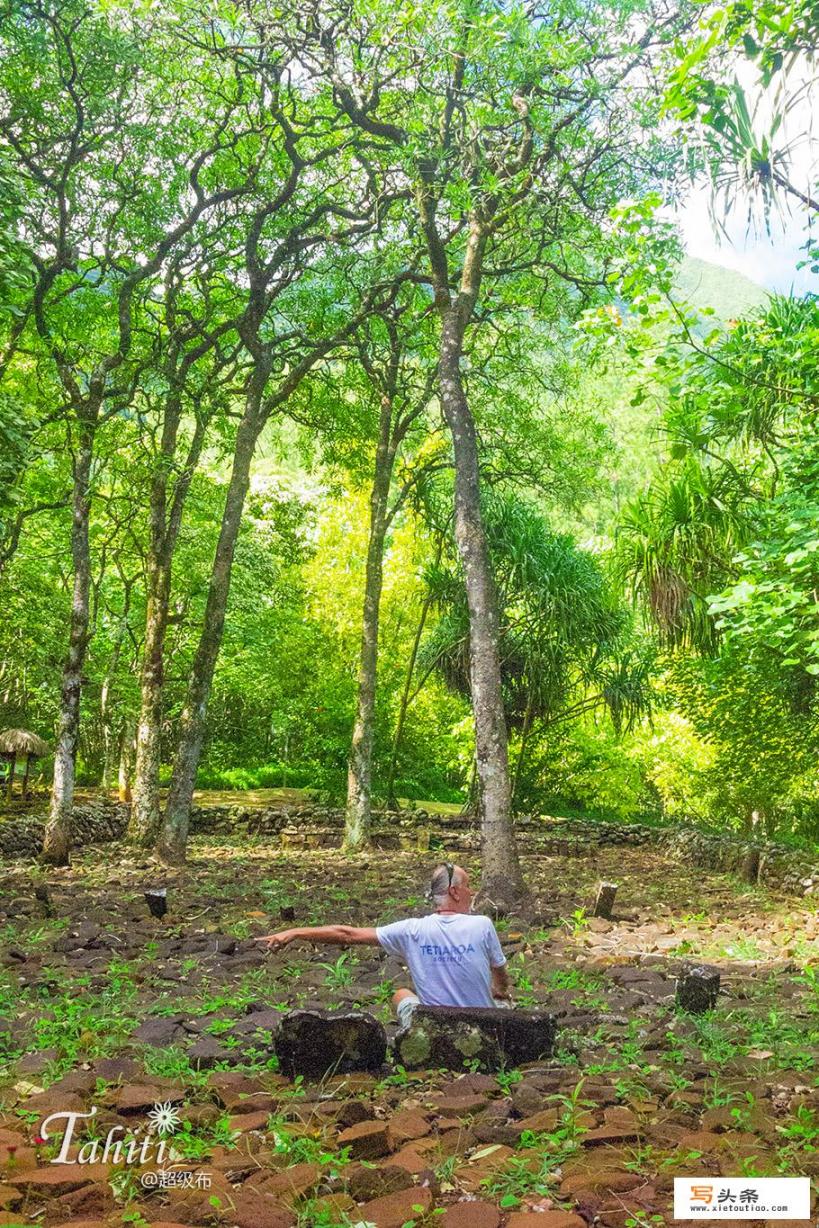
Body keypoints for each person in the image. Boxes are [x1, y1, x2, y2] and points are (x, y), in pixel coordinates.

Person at [257, 861, 512, 1027]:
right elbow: (500, 977)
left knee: (401, 994)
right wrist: (498, 990)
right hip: (482, 1024)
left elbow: (347, 934)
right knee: (503, 1003)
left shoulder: (411, 929)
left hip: (434, 1026)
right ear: (455, 892)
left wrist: (295, 932)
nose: (472, 891)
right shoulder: (482, 925)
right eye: (468, 886)